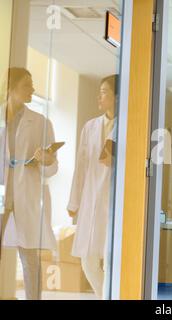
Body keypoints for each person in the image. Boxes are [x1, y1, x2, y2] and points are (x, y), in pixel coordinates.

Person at [0, 67, 58, 300]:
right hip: (3, 197)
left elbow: (53, 169)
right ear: (11, 89)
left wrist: (46, 160)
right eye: (27, 85)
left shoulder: (41, 122)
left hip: (26, 198)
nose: (33, 89)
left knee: (30, 260)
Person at [67, 75, 118, 299]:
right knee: (88, 259)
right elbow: (81, 167)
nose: (99, 96)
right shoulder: (90, 127)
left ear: (117, 97)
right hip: (91, 198)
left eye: (105, 91)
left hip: (114, 199)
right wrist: (74, 202)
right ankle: (103, 295)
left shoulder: (127, 125)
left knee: (109, 261)